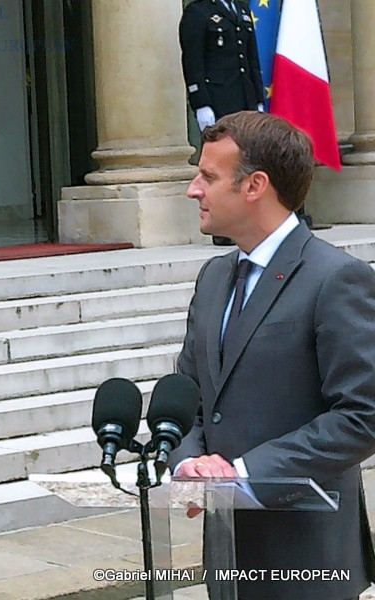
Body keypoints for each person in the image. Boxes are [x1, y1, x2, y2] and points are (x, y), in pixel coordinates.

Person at [170, 111, 375, 599]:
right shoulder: (214, 277)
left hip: (307, 557)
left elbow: (364, 414)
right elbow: (187, 395)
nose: (193, 189)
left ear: (255, 185)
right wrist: (188, 463)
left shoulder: (335, 278)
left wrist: (243, 476)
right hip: (228, 557)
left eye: (208, 176)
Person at [179, 0, 265, 246]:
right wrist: (200, 102)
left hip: (244, 98)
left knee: (246, 163)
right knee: (220, 168)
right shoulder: (198, 11)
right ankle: (222, 227)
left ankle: (248, 222)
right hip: (218, 100)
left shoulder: (240, 9)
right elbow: (193, 60)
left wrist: (258, 99)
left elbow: (250, 62)